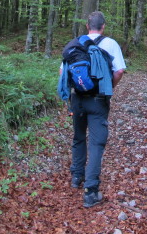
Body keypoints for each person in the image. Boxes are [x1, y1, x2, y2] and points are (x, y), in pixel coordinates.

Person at [59, 11, 126, 208]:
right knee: (96, 144)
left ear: (87, 27)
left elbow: (63, 71)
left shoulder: (75, 44)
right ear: (103, 26)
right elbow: (120, 70)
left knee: (79, 137)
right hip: (98, 100)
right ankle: (90, 191)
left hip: (77, 99)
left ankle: (76, 176)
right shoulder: (110, 43)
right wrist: (109, 87)